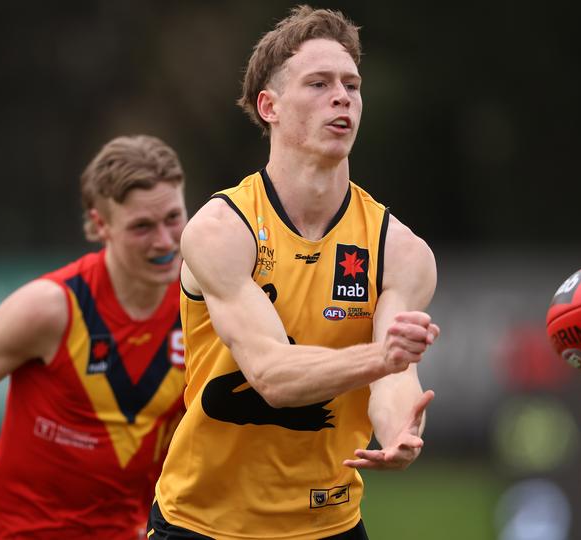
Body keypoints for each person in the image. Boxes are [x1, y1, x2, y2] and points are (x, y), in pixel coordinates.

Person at [149, 6, 439, 539]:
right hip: (203, 524)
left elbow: (396, 376)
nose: (342, 96)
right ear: (270, 107)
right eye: (319, 83)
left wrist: (399, 432)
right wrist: (383, 358)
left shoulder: (399, 249)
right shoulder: (221, 229)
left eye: (352, 84)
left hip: (328, 525)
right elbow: (272, 376)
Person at [0, 135, 189, 540]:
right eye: (142, 226)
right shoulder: (53, 308)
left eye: (174, 218)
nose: (164, 241)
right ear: (100, 224)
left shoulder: (199, 307)